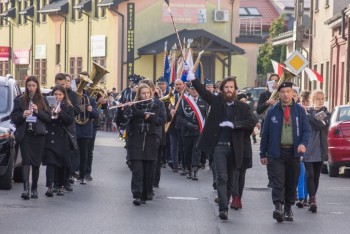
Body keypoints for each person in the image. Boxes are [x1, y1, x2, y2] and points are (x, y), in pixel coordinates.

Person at [185, 71, 257, 220]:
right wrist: (193, 78)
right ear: (222, 89)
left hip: (235, 147)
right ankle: (223, 209)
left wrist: (234, 125)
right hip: (219, 146)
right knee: (222, 178)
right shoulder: (217, 102)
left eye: (232, 87)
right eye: (226, 87)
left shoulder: (243, 107)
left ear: (235, 90)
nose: (229, 90)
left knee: (231, 180)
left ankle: (226, 201)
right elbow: (204, 93)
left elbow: (252, 122)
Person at [260, 81, 310, 223]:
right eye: (283, 92)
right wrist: (263, 153)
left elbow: (306, 131)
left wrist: (302, 144)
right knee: (278, 181)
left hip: (293, 152)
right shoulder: (273, 111)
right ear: (279, 94)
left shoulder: (299, 111)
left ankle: (288, 208)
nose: (285, 94)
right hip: (276, 152)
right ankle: (278, 207)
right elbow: (265, 133)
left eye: (288, 91)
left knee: (291, 181)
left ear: (293, 93)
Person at [116, 83, 160, 205]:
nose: (146, 95)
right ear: (139, 95)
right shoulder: (132, 106)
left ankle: (146, 193)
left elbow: (157, 121)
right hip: (135, 141)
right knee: (137, 171)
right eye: (143, 93)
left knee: (148, 171)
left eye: (148, 93)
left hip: (150, 141)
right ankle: (137, 195)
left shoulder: (155, 106)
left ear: (150, 94)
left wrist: (137, 111)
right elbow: (121, 122)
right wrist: (120, 111)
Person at [11, 76, 51, 200]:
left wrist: (37, 111)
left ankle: (34, 188)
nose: (31, 88)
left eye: (33, 85)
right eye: (29, 86)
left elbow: (48, 118)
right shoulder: (20, 100)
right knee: (26, 162)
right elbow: (14, 119)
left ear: (37, 86)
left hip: (38, 135)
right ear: (26, 86)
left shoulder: (43, 100)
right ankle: (25, 189)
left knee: (36, 163)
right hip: (25, 135)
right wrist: (23, 114)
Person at [42, 85, 75, 197]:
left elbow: (69, 121)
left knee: (62, 163)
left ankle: (60, 186)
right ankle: (50, 186)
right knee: (51, 162)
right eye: (55, 94)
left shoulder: (68, 106)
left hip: (62, 137)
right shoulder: (47, 105)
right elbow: (44, 119)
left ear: (64, 95)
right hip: (50, 136)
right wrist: (50, 111)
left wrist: (60, 112)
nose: (57, 97)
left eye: (60, 94)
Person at [303, 90, 330, 213]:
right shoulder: (307, 112)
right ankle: (312, 199)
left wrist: (309, 117)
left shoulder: (326, 113)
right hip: (307, 148)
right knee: (310, 175)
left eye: (322, 99)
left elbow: (320, 125)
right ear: (313, 100)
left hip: (319, 149)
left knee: (316, 177)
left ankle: (311, 197)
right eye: (318, 99)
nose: (320, 101)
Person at [176, 83, 207, 180]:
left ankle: (195, 170)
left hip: (198, 131)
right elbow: (179, 117)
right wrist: (187, 124)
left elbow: (206, 116)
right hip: (186, 131)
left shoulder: (204, 101)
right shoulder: (184, 101)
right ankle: (188, 169)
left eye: (196, 89)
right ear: (189, 90)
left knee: (196, 151)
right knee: (187, 151)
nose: (194, 91)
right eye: (193, 89)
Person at [230, 93, 255, 210]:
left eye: (246, 100)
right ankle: (234, 197)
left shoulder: (248, 110)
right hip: (234, 145)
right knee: (235, 172)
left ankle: (239, 196)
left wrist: (237, 126)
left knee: (242, 173)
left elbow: (252, 123)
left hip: (245, 144)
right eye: (242, 100)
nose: (244, 102)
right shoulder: (232, 111)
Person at [75, 72, 99, 184]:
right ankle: (73, 173)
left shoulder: (90, 100)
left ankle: (83, 175)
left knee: (84, 153)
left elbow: (96, 114)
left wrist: (91, 110)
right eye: (79, 84)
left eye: (82, 84)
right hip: (74, 129)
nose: (80, 86)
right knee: (74, 153)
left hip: (85, 130)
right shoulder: (72, 97)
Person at [257, 73, 280, 188]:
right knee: (268, 151)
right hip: (267, 125)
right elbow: (258, 110)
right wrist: (267, 102)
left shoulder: (281, 95)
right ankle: (270, 178)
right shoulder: (264, 94)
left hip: (279, 127)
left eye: (276, 81)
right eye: (272, 81)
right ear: (268, 83)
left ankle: (276, 177)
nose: (274, 83)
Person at [296, 90, 311, 208]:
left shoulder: (312, 115)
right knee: (301, 174)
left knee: (308, 175)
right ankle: (301, 197)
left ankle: (306, 197)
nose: (304, 104)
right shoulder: (297, 113)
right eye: (302, 101)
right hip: (300, 148)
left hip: (311, 150)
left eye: (306, 102)